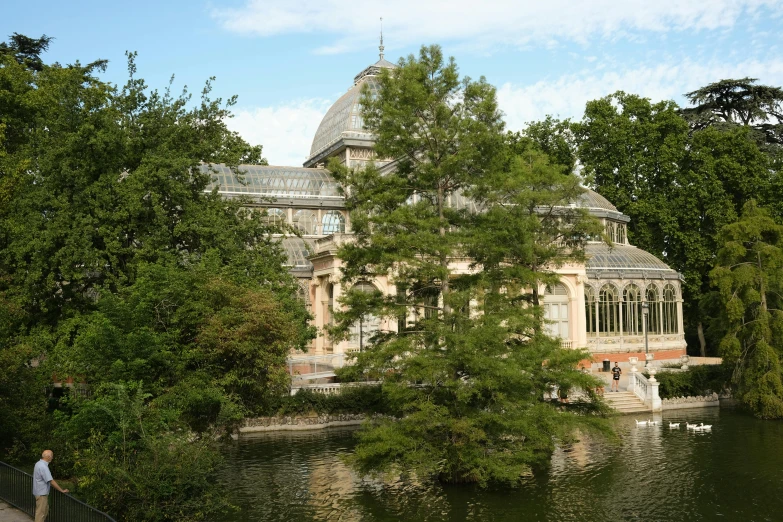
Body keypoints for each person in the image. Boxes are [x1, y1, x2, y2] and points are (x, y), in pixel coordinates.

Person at [33, 450, 69, 522]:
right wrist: (61, 490)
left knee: (44, 511)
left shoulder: (38, 463)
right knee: (40, 514)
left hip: (39, 492)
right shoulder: (43, 467)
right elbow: (51, 481)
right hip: (41, 494)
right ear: (48, 457)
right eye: (52, 456)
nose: (52, 458)